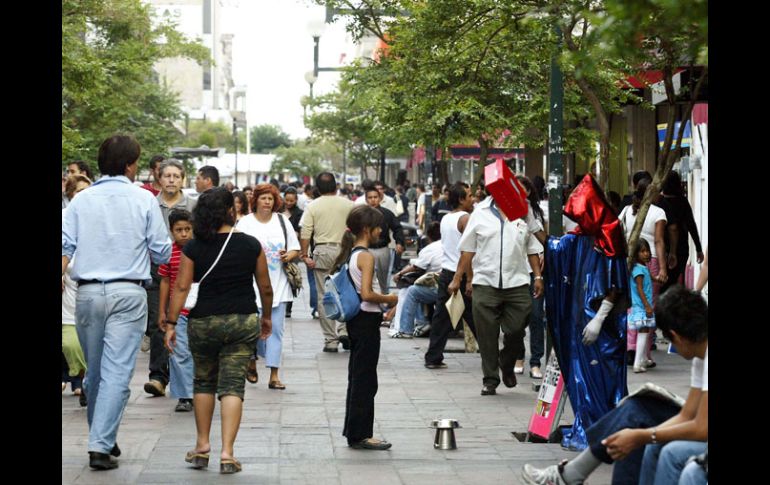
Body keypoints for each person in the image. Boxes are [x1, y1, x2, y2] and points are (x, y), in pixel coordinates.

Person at [522, 285, 707, 485]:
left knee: (655, 440)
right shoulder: (700, 357)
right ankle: (572, 473)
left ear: (676, 336)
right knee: (637, 419)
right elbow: (687, 415)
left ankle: (571, 474)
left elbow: (701, 428)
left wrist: (644, 435)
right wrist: (642, 436)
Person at [62, 134, 172, 470]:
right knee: (115, 372)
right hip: (128, 291)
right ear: (129, 164)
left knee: (95, 371)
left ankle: (103, 436)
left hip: (88, 293)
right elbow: (162, 250)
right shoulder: (144, 200)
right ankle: (100, 444)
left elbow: (65, 247)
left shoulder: (81, 201)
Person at [162, 187, 273, 474]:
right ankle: (227, 453)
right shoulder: (251, 245)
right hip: (242, 320)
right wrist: (267, 318)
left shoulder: (194, 246)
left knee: (203, 382)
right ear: (230, 210)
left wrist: (171, 323)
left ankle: (201, 447)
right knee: (233, 386)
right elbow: (265, 287)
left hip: (203, 322)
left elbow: (182, 287)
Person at [544, 174, 630, 451]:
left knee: (601, 377)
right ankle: (588, 422)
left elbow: (615, 284)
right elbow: (555, 249)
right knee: (583, 378)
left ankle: (602, 427)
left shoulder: (610, 234)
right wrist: (532, 227)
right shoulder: (580, 237)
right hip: (581, 321)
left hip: (602, 326)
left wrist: (600, 317)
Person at [451, 182, 544, 395]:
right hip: (485, 281)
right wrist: (458, 278)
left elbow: (532, 248)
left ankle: (507, 360)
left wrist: (538, 276)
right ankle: (490, 379)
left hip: (517, 281)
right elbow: (468, 249)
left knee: (517, 328)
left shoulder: (523, 213)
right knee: (487, 334)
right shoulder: (480, 213)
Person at [333, 206, 399, 450]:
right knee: (365, 379)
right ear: (366, 229)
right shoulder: (366, 256)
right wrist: (391, 299)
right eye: (378, 226)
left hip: (357, 321)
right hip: (365, 320)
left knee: (359, 376)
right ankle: (361, 434)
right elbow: (367, 294)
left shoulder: (353, 253)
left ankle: (355, 431)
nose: (381, 230)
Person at [237, 183, 300, 390]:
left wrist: (287, 256)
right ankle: (252, 361)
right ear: (255, 200)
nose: (267, 202)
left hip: (278, 285)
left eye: (270, 199)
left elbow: (295, 249)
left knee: (276, 331)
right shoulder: (245, 224)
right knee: (252, 329)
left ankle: (274, 374)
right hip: (249, 287)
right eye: (263, 198)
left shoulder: (282, 221)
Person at [145, 158, 197, 398]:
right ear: (159, 178)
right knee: (160, 322)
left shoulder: (193, 205)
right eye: (167, 176)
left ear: (182, 179)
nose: (172, 180)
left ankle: (187, 377)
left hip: (188, 273)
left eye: (176, 176)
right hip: (157, 270)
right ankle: (158, 376)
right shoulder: (148, 204)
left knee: (186, 328)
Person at [424, 182, 477, 369]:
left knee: (442, 317)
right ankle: (492, 354)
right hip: (460, 274)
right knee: (475, 317)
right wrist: (468, 279)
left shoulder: (446, 218)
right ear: (461, 199)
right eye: (469, 196)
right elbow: (467, 251)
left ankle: (433, 356)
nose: (473, 199)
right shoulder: (465, 218)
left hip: (447, 272)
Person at [300, 172, 354, 353]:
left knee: (324, 297)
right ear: (336, 186)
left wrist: (305, 255)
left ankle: (331, 340)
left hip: (322, 251)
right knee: (347, 292)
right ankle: (344, 330)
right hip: (345, 250)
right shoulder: (349, 204)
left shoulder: (312, 206)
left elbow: (306, 232)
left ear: (317, 188)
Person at [618, 178, 668, 367]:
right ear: (652, 192)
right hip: (650, 261)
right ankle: (644, 354)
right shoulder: (658, 212)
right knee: (648, 306)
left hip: (629, 261)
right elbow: (659, 241)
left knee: (632, 304)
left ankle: (631, 348)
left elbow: (618, 232)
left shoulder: (627, 211)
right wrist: (662, 268)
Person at [158, 209, 195, 412]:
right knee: (178, 352)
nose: (184, 234)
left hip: (198, 309)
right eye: (179, 230)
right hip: (176, 312)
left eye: (187, 229)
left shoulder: (200, 250)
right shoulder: (168, 252)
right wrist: (162, 311)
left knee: (197, 352)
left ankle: (200, 391)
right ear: (171, 231)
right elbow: (165, 281)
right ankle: (184, 395)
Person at [61, 174, 93, 404]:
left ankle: (88, 381)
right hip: (68, 292)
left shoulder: (100, 218)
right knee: (70, 344)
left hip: (94, 291)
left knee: (93, 344)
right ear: (70, 194)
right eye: (78, 191)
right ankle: (82, 376)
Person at [390, 221, 443, 338]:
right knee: (418, 287)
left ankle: (410, 327)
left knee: (413, 291)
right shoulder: (451, 245)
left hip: (439, 286)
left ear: (428, 236)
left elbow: (416, 266)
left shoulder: (430, 249)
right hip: (450, 283)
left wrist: (399, 273)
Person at [658, 170, 704, 294]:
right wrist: (699, 249)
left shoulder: (659, 202)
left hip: (663, 247)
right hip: (681, 248)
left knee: (662, 281)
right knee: (673, 281)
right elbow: (691, 226)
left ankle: (662, 305)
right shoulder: (682, 201)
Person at [364, 187, 405, 296]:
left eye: (375, 197)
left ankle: (383, 300)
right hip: (365, 249)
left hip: (382, 249)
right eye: (370, 197)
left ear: (380, 198)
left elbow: (397, 228)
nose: (373, 200)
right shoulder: (362, 214)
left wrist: (399, 242)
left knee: (383, 279)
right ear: (366, 199)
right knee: (365, 278)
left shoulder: (387, 214)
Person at [629, 238, 657, 373]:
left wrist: (657, 278)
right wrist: (647, 305)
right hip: (641, 307)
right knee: (643, 333)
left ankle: (644, 358)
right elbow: (640, 289)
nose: (646, 254)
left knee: (645, 333)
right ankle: (637, 363)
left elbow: (650, 277)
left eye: (647, 251)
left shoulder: (642, 268)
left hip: (643, 306)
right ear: (636, 254)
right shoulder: (638, 270)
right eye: (642, 251)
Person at [282, 187, 304, 318]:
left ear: (296, 200)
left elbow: (299, 231)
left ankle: (288, 307)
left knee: (290, 276)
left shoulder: (299, 213)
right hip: (278, 247)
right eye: (287, 200)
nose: (289, 202)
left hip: (292, 248)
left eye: (292, 200)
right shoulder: (278, 211)